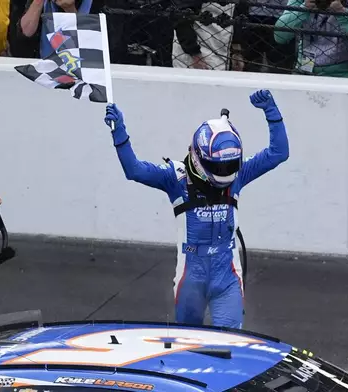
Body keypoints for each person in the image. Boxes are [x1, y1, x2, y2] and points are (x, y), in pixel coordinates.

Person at [103, 89, 289, 328]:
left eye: (229, 165)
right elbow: (134, 170)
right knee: (188, 346)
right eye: (217, 166)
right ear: (199, 155)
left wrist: (271, 112)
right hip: (191, 277)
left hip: (228, 275)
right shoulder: (175, 178)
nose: (225, 172)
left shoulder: (239, 173)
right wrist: (119, 131)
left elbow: (278, 153)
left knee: (231, 345)